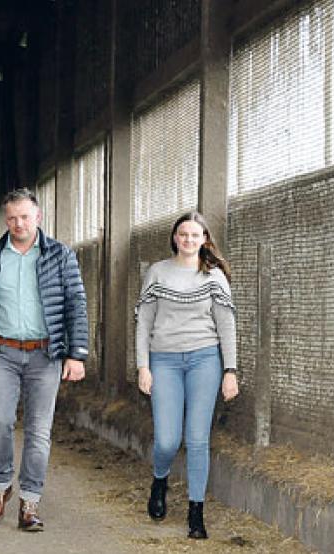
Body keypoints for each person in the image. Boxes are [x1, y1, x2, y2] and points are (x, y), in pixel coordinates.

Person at [0, 187, 89, 532]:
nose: (18, 223)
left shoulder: (61, 255)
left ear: (38, 218)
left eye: (25, 217)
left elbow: (76, 304)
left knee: (38, 431)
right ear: (6, 219)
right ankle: (0, 486)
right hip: (1, 352)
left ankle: (30, 501)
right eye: (12, 218)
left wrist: (76, 354)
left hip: (45, 355)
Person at [134, 211, 239, 540]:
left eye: (195, 235)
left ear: (205, 238)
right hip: (163, 360)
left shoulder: (215, 277)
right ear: (174, 237)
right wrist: (143, 366)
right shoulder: (157, 272)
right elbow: (144, 323)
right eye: (183, 234)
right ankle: (160, 478)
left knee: (197, 439)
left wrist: (230, 370)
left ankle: (196, 512)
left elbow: (227, 326)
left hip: (204, 360)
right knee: (167, 440)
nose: (189, 240)